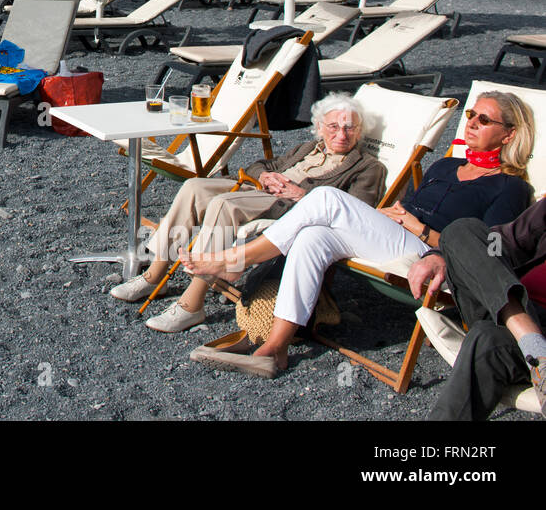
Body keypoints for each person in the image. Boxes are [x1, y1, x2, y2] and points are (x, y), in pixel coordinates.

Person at [183, 92, 535, 377]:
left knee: (324, 197)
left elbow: (488, 251)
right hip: (395, 239)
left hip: (432, 259)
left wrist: (421, 229)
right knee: (314, 236)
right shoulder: (447, 165)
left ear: (509, 134)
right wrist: (385, 216)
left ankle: (236, 259)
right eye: (472, 114)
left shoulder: (510, 187)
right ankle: (274, 349)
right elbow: (406, 208)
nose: (471, 122)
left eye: (484, 120)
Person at [112, 94, 384, 332]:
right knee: (194, 186)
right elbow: (260, 163)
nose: (342, 134)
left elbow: (356, 212)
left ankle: (192, 302)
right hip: (261, 191)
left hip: (288, 208)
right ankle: (154, 275)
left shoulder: (367, 167)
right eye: (334, 126)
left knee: (224, 205)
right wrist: (265, 175)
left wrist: (302, 195)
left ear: (359, 132)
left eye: (350, 128)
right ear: (320, 129)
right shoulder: (307, 149)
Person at [410, 200, 546, 419]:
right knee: (460, 230)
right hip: (515, 308)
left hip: (510, 332)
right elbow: (499, 241)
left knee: (485, 339)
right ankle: (536, 350)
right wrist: (440, 255)